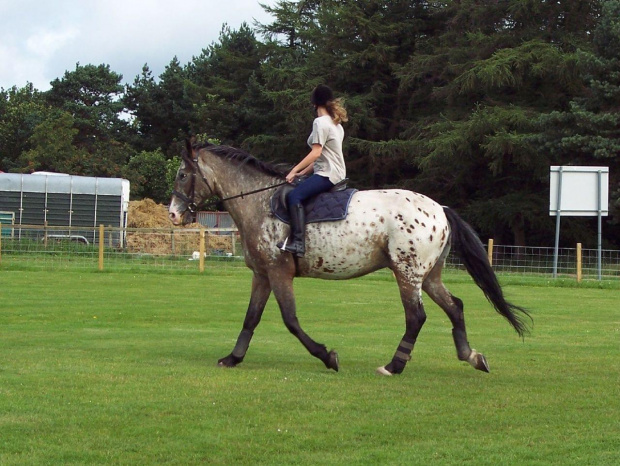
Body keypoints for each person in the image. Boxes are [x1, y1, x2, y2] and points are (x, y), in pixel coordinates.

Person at [278, 84, 348, 258]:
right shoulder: (336, 124)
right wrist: (304, 173)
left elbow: (316, 152)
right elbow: (323, 155)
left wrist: (294, 170)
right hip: (334, 171)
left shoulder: (320, 123)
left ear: (314, 103)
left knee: (293, 196)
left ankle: (298, 243)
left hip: (328, 174)